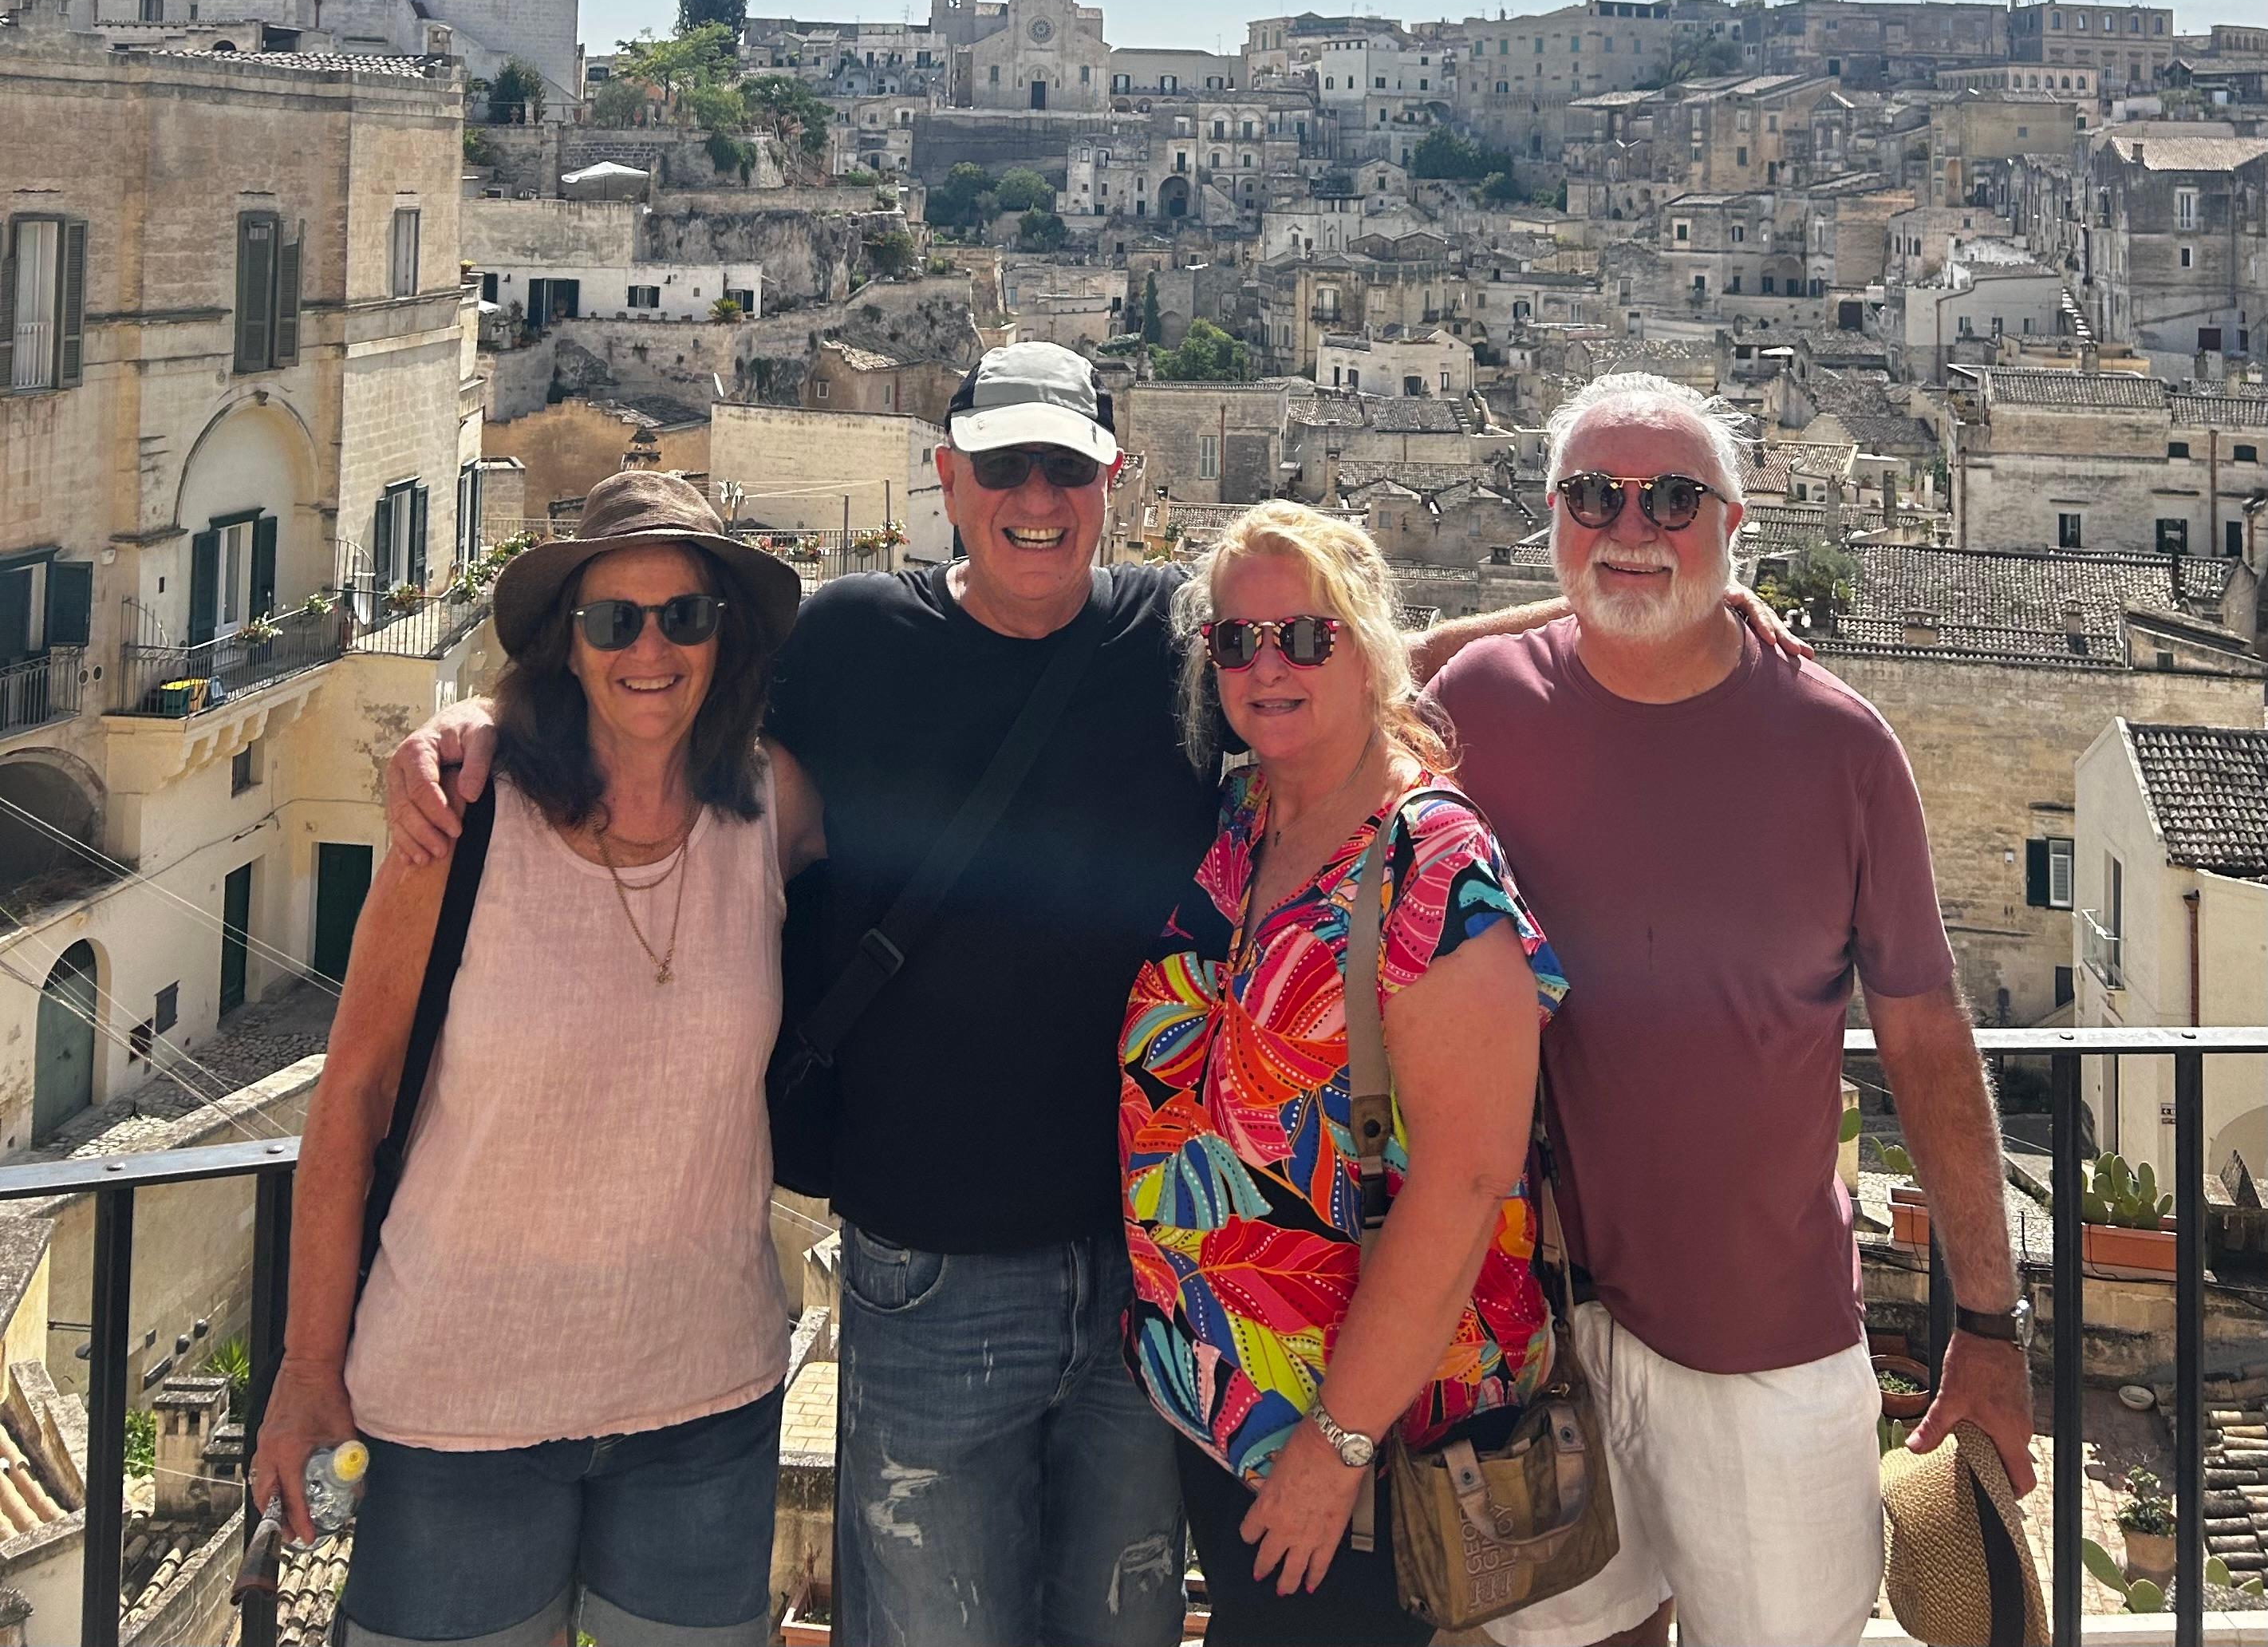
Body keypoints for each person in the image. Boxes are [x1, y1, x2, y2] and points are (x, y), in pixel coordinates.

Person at [381, 346, 1798, 1646]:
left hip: (1150, 1302)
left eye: (1067, 466)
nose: (1036, 497)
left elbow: (1336, 639)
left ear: (1111, 481)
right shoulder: (853, 640)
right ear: (947, 478)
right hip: (928, 1274)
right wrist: (478, 722)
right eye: (1003, 466)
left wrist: (1637, 592)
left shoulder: (1182, 648)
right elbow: (657, 696)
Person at [1412, 372, 2033, 1647]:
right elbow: (1366, 661)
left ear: (1735, 520)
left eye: (1674, 498)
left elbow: (1924, 1036)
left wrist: (1988, 1322)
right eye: (1595, 496)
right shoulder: (1477, 704)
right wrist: (1627, 586)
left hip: (1771, 1341)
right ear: (1552, 515)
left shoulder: (1842, 747)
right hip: (1549, 1331)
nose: (1631, 519)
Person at [251, 472, 803, 1647]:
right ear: (569, 643)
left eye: (685, 616)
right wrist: (307, 1365)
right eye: (615, 619)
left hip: (703, 1400)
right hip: (458, 1405)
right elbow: (351, 1091)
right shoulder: (462, 817)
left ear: (725, 637)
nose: (650, 646)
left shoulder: (769, 809)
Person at [1122, 504, 1564, 1646]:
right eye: (1236, 640)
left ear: (1367, 645)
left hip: (1365, 1458)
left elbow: (1467, 1180)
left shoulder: (1433, 863)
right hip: (1225, 1414)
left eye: (1306, 638)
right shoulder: (1246, 815)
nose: (1268, 665)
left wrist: (1338, 1445)